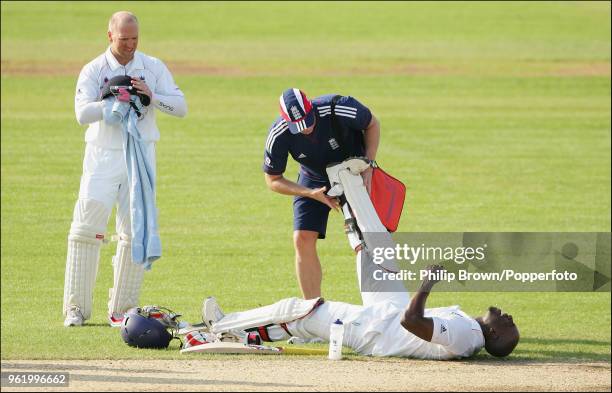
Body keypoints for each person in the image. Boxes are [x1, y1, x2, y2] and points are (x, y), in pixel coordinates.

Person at [63, 11, 187, 327]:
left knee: (134, 230)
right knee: (86, 229)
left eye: (134, 39)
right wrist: (112, 100)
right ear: (109, 36)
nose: (130, 45)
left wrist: (151, 95)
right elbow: (81, 114)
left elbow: (181, 107)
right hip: (102, 155)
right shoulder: (94, 69)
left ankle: (123, 309)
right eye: (123, 39)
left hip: (141, 154)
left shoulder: (153, 67)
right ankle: (75, 309)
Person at [202, 264, 520, 360]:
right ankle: (238, 333)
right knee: (303, 324)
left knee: (298, 309)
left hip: (370, 330)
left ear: (493, 334)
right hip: (373, 328)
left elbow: (411, 321)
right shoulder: (470, 330)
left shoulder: (467, 334)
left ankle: (221, 324)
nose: (508, 316)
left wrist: (427, 283)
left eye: (507, 324)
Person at [263, 88, 381, 299]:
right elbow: (273, 180)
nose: (305, 129)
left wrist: (369, 164)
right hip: (313, 178)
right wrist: (309, 193)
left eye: (308, 121)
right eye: (298, 127)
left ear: (311, 106)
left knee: (367, 238)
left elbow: (372, 123)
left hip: (353, 171)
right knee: (301, 239)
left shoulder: (340, 106)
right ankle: (313, 311)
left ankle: (380, 303)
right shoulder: (278, 134)